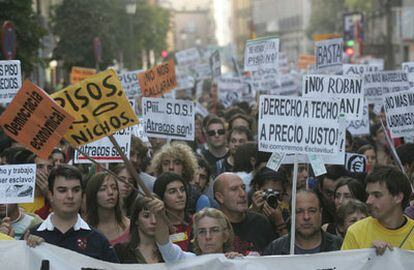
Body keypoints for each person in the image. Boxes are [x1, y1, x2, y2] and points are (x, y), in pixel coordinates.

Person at [26, 164, 119, 263]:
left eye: (76, 190)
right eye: (62, 190)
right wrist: (27, 247)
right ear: (50, 195)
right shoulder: (31, 236)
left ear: (82, 194)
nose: (70, 196)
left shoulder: (98, 240)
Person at [342, 165, 414, 254]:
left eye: (377, 195)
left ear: (398, 197)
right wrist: (369, 256)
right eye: (368, 194)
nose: (368, 201)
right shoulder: (356, 232)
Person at [263, 189, 343, 255]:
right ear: (291, 214)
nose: (306, 217)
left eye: (312, 211)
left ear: (320, 212)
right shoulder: (274, 250)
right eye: (299, 211)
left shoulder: (340, 247)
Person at [214, 172, 276, 255]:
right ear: (220, 197)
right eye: (234, 189)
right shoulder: (210, 225)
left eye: (243, 188)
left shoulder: (260, 222)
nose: (242, 194)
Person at [152, 203, 239, 262]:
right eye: (202, 232)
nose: (208, 237)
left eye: (214, 230)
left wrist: (240, 263)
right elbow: (164, 245)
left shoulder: (235, 261)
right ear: (196, 237)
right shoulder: (187, 261)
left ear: (225, 235)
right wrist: (159, 215)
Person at [151, 141, 204, 214]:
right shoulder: (153, 193)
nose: (171, 167)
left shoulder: (199, 199)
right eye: (166, 163)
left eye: (177, 163)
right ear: (160, 168)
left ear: (185, 167)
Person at [114, 196, 164, 263]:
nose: (153, 221)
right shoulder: (121, 251)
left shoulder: (169, 250)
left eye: (157, 216)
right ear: (136, 220)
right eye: (146, 216)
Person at [85, 172, 130, 246]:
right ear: (93, 194)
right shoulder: (85, 230)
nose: (110, 192)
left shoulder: (131, 228)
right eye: (103, 189)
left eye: (114, 188)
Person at [153, 172, 193, 251]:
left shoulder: (196, 222)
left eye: (182, 189)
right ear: (161, 197)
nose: (180, 195)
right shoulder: (155, 227)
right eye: (172, 191)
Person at [249, 167, 289, 236]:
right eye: (267, 192)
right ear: (257, 188)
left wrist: (279, 222)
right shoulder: (246, 213)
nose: (271, 196)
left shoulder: (288, 216)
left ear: (283, 192)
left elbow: (289, 245)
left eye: (276, 193)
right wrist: (254, 213)